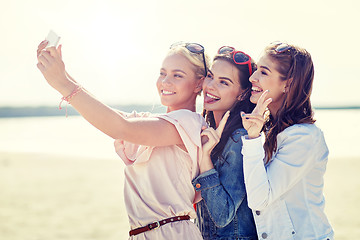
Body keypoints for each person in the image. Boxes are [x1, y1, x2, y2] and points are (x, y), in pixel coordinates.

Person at [36, 40, 211, 239]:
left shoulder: (187, 122)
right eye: (162, 73)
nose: (165, 81)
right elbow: (109, 116)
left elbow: (120, 127)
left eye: (177, 75)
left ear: (199, 83)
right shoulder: (158, 123)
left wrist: (63, 83)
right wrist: (60, 73)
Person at [240, 42, 334, 240]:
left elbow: (259, 200)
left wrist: (253, 139)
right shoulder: (267, 129)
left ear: (288, 84)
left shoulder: (304, 138)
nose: (252, 78)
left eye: (263, 72)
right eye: (256, 69)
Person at [191, 46, 258, 239]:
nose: (210, 86)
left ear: (243, 94)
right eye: (210, 76)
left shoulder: (239, 139)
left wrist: (204, 158)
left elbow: (222, 215)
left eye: (224, 82)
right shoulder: (210, 131)